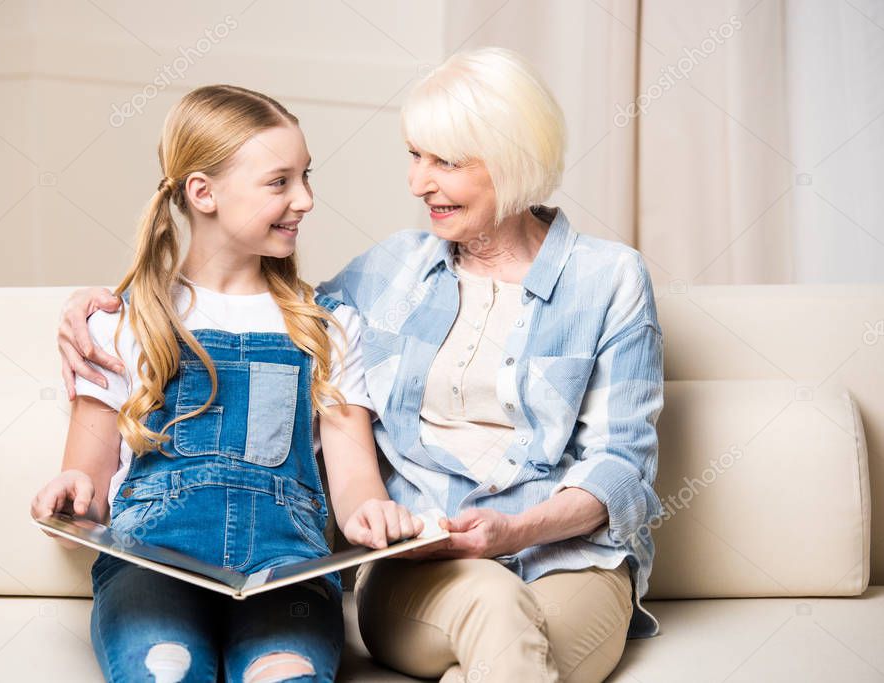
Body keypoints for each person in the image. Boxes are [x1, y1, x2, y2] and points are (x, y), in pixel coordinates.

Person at [59, 48, 664, 683]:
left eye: (445, 162)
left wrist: (515, 530)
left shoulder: (608, 279)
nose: (417, 182)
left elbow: (622, 464)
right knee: (492, 606)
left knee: (500, 646)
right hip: (426, 568)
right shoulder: (388, 274)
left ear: (511, 162)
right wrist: (98, 306)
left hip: (564, 558)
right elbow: (253, 301)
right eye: (414, 154)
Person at [31, 84, 423, 683]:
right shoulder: (120, 322)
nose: (306, 200)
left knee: (287, 676)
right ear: (203, 193)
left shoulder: (330, 326)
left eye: (306, 177)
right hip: (152, 568)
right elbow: (87, 484)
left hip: (285, 567)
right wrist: (71, 495)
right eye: (280, 181)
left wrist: (375, 516)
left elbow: (355, 486)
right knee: (164, 671)